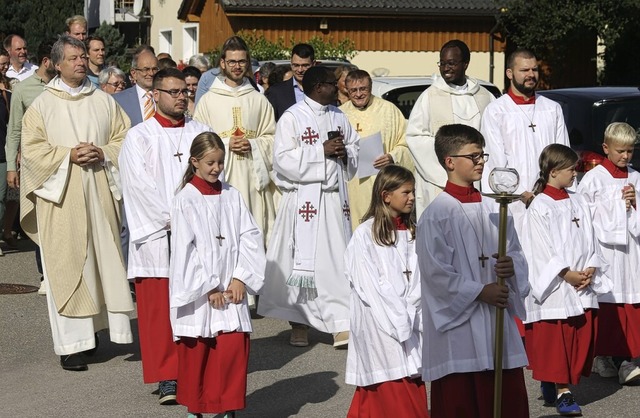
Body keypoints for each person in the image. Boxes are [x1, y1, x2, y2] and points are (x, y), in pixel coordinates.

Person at [20, 35, 133, 371]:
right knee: (66, 267)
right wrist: (68, 155)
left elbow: (123, 138)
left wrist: (103, 152)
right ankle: (70, 346)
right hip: (62, 198)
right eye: (73, 58)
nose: (81, 62)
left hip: (99, 190)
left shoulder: (103, 100)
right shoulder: (43, 105)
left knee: (99, 265)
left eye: (83, 57)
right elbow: (33, 152)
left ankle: (93, 334)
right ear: (56, 63)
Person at [418, 124, 530, 418]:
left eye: (482, 155)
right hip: (460, 330)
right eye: (474, 156)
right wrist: (481, 291)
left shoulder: (496, 209)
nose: (481, 161)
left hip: (496, 323)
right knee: (463, 402)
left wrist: (511, 267)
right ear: (450, 162)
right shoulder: (436, 214)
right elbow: (435, 275)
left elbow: (517, 253)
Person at [119, 67, 213, 404]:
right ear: (155, 95)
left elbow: (215, 173)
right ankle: (167, 377)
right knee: (159, 310)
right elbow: (137, 186)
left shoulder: (202, 133)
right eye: (172, 92)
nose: (180, 96)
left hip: (197, 234)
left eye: (183, 91)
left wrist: (195, 219)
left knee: (195, 306)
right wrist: (172, 219)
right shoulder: (139, 136)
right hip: (158, 238)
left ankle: (196, 369)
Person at [257, 66, 359, 348]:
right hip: (303, 200)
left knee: (336, 265)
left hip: (334, 200)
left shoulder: (339, 115)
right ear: (317, 87)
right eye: (332, 84)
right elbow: (282, 160)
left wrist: (345, 152)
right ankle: (298, 322)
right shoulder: (293, 117)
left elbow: (355, 147)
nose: (338, 89)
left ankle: (340, 323)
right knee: (300, 264)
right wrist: (320, 151)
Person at [169, 132, 266, 418]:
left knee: (231, 352)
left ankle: (228, 407)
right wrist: (208, 287)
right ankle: (196, 408)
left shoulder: (231, 194)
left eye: (221, 162)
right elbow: (183, 252)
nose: (216, 168)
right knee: (200, 352)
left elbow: (250, 236)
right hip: (201, 295)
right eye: (210, 163)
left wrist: (241, 277)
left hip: (231, 288)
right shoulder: (185, 199)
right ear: (194, 162)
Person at [522, 144, 609, 416]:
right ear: (554, 171)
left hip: (582, 280)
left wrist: (591, 266)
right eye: (572, 169)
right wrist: (566, 273)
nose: (576, 173)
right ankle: (563, 392)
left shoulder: (578, 199)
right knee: (558, 339)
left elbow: (590, 236)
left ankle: (553, 381)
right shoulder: (539, 205)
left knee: (578, 339)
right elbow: (539, 248)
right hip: (558, 286)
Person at [344, 165, 427, 418]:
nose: (412, 197)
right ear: (386, 195)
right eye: (406, 192)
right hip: (379, 323)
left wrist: (411, 311)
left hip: (410, 320)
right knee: (390, 388)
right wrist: (400, 319)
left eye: (413, 192)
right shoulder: (365, 235)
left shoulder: (415, 233)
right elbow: (369, 285)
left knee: (408, 383)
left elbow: (422, 278)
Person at [193, 36, 277, 246]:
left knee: (252, 235)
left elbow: (273, 137)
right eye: (232, 61)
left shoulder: (259, 99)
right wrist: (225, 143)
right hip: (221, 177)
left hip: (252, 180)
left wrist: (254, 144)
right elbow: (197, 140)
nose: (237, 66)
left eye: (241, 61)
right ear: (222, 63)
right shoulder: (208, 101)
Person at [577, 122, 640, 385]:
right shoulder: (594, 178)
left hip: (631, 252)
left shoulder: (636, 177)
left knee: (632, 304)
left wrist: (634, 204)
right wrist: (617, 205)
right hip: (605, 253)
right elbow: (582, 215)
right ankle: (604, 356)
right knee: (607, 303)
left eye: (630, 151)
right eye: (620, 151)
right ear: (606, 148)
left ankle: (629, 359)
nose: (625, 156)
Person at [481, 48, 569, 235]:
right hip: (513, 201)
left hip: (549, 197)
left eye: (534, 70)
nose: (531, 74)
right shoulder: (496, 111)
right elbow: (496, 160)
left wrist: (548, 191)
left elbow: (563, 155)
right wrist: (523, 193)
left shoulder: (552, 109)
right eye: (524, 70)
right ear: (510, 73)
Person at [406, 40, 494, 217]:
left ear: (465, 64)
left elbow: (493, 138)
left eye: (452, 63)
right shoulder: (430, 96)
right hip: (441, 181)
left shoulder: (485, 96)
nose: (446, 68)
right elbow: (415, 136)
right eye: (442, 63)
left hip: (477, 178)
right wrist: (448, 163)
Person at [6, 38, 58, 291]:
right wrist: (10, 167)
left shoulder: (64, 86)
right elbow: (14, 130)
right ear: (48, 61)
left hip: (61, 161)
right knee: (40, 218)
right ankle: (45, 272)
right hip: (34, 164)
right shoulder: (23, 89)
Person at [340, 69, 413, 230]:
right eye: (353, 90)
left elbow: (407, 143)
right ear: (346, 90)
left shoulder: (389, 110)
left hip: (382, 182)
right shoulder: (340, 114)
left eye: (363, 89)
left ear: (370, 87)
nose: (358, 94)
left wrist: (393, 156)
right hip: (351, 186)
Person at [265, 43, 315, 121]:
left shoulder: (323, 90)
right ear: (291, 63)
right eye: (296, 65)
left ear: (313, 64)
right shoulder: (276, 92)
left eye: (305, 65)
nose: (300, 70)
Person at [113, 47, 159, 127]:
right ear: (134, 73)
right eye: (146, 69)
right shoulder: (117, 101)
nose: (151, 73)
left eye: (154, 69)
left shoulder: (166, 97)